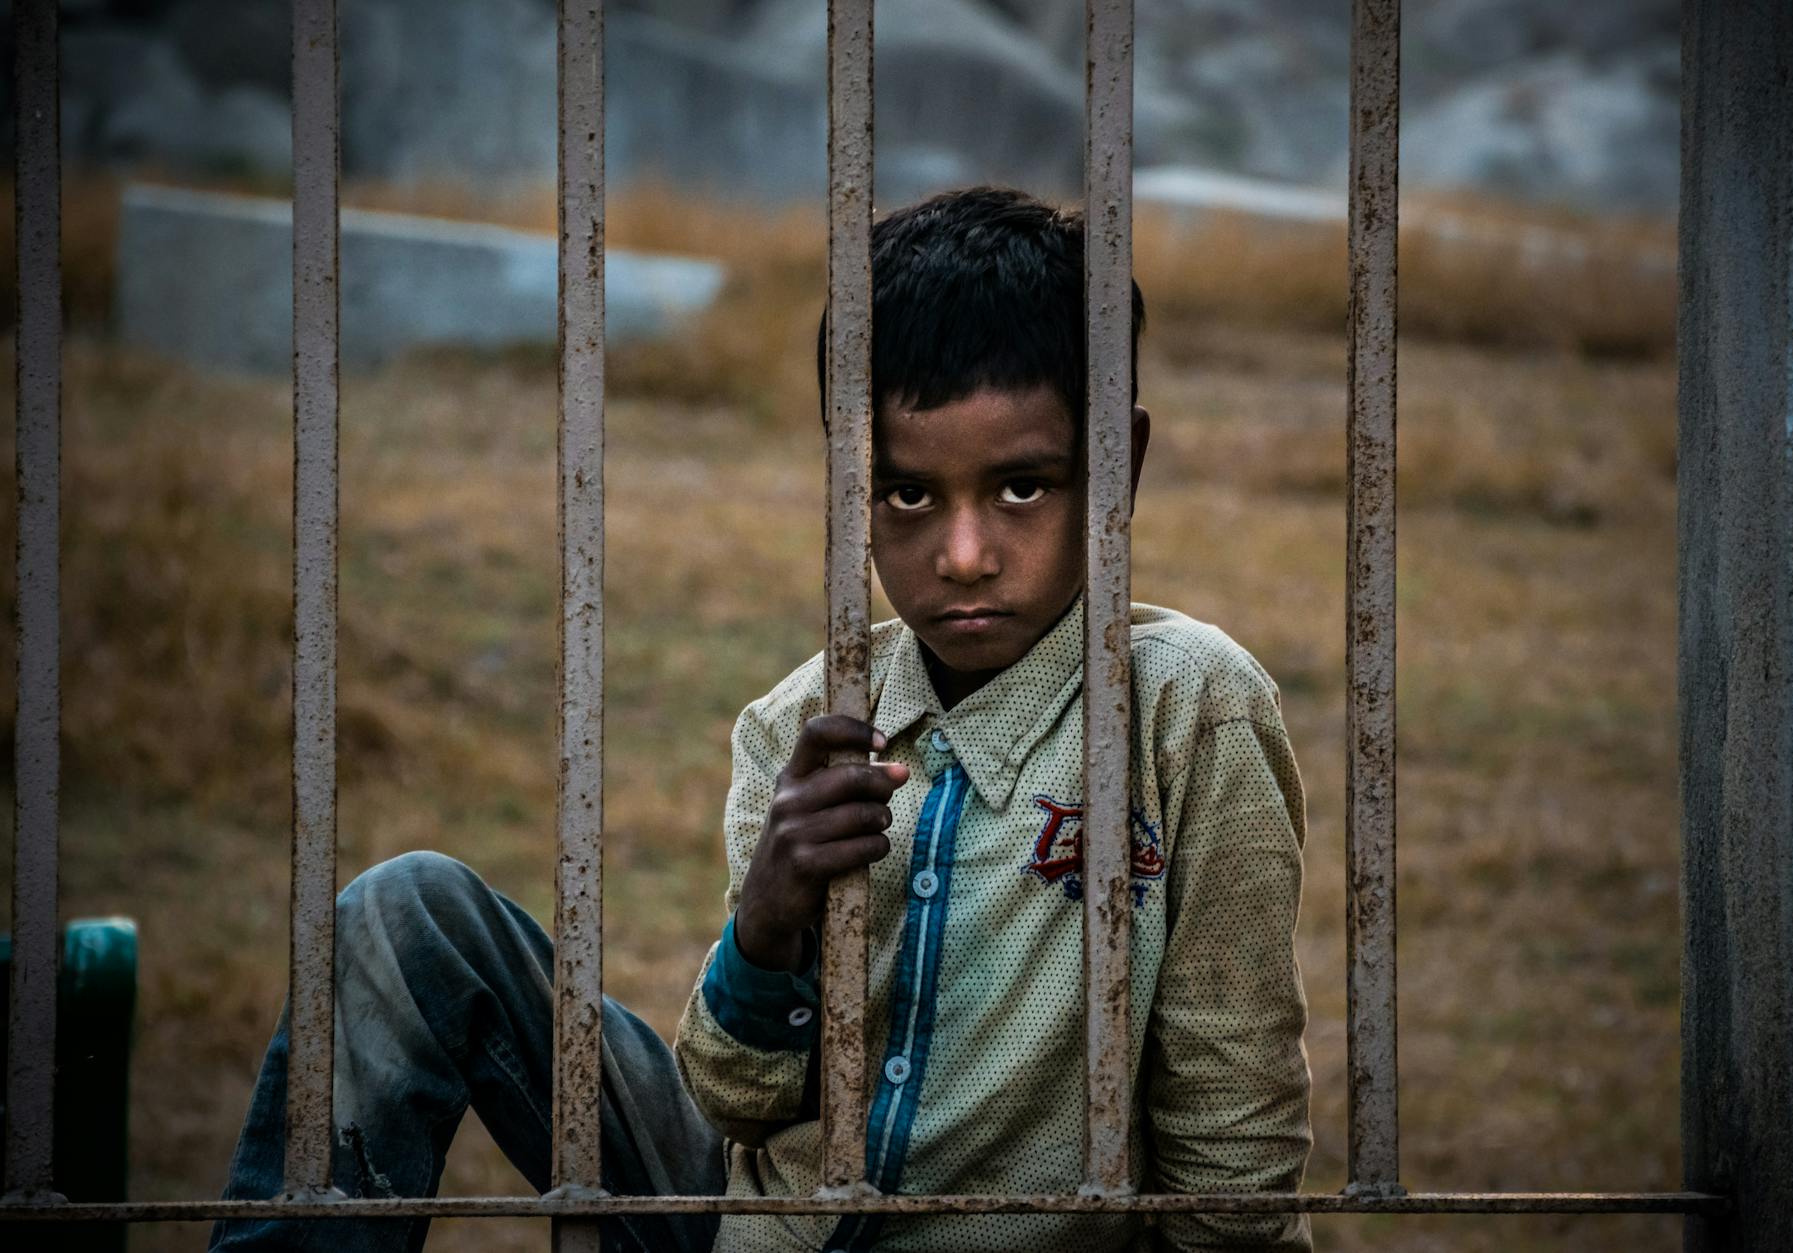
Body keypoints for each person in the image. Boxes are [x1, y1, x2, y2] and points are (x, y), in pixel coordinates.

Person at [210, 185, 1310, 1253]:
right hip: (755, 1222)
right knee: (408, 912)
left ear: (1119, 464)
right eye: (905, 495)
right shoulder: (799, 723)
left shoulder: (1186, 709)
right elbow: (737, 1097)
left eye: (1022, 487)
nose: (963, 554)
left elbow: (1231, 1126)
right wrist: (767, 920)